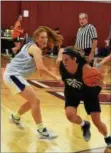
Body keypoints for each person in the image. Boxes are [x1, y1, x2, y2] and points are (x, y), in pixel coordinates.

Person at [3, 26, 61, 139]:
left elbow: (36, 66)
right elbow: (41, 67)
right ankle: (41, 130)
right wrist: (56, 77)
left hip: (13, 74)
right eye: (42, 38)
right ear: (36, 38)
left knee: (32, 101)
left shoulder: (30, 45)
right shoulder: (36, 49)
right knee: (35, 101)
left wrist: (39, 70)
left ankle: (16, 117)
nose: (44, 40)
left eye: (46, 37)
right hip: (13, 75)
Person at [56, 46, 111, 147]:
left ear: (75, 59)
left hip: (88, 93)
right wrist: (62, 49)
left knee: (97, 121)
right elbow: (60, 52)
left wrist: (99, 84)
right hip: (71, 92)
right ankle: (84, 125)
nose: (64, 62)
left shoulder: (86, 69)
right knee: (70, 115)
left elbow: (99, 83)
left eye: (67, 60)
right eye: (63, 59)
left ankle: (107, 137)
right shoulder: (61, 65)